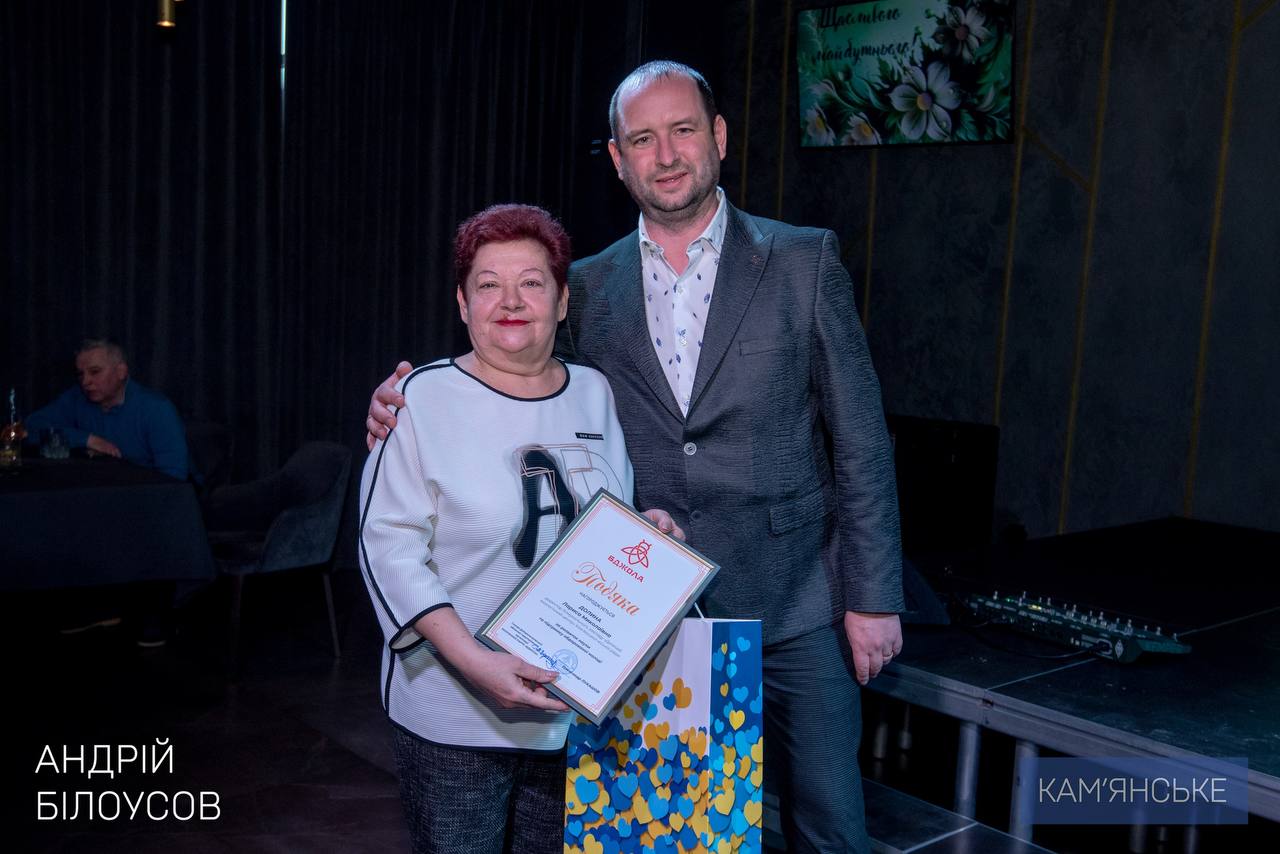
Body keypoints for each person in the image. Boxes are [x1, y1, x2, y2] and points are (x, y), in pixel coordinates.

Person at [367, 62, 904, 853]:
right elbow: (523, 382)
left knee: (830, 826)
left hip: (797, 605)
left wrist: (874, 597)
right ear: (619, 160)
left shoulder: (803, 261)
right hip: (648, 624)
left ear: (718, 137)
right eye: (642, 139)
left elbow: (862, 440)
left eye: (683, 130)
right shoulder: (586, 286)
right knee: (674, 830)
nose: (667, 154)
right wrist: (402, 397)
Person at [358, 204, 682, 854]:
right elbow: (389, 548)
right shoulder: (420, 397)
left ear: (561, 302)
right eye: (488, 284)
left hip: (571, 710)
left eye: (531, 283)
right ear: (462, 303)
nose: (510, 301)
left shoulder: (594, 392)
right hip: (454, 713)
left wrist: (645, 534)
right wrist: (475, 663)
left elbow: (599, 522)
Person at [25, 338, 189, 481]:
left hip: (148, 494)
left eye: (95, 372)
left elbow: (174, 476)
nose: (85, 381)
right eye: (81, 374)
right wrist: (87, 439)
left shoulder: (156, 409)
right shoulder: (76, 398)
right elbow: (28, 429)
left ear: (121, 372)